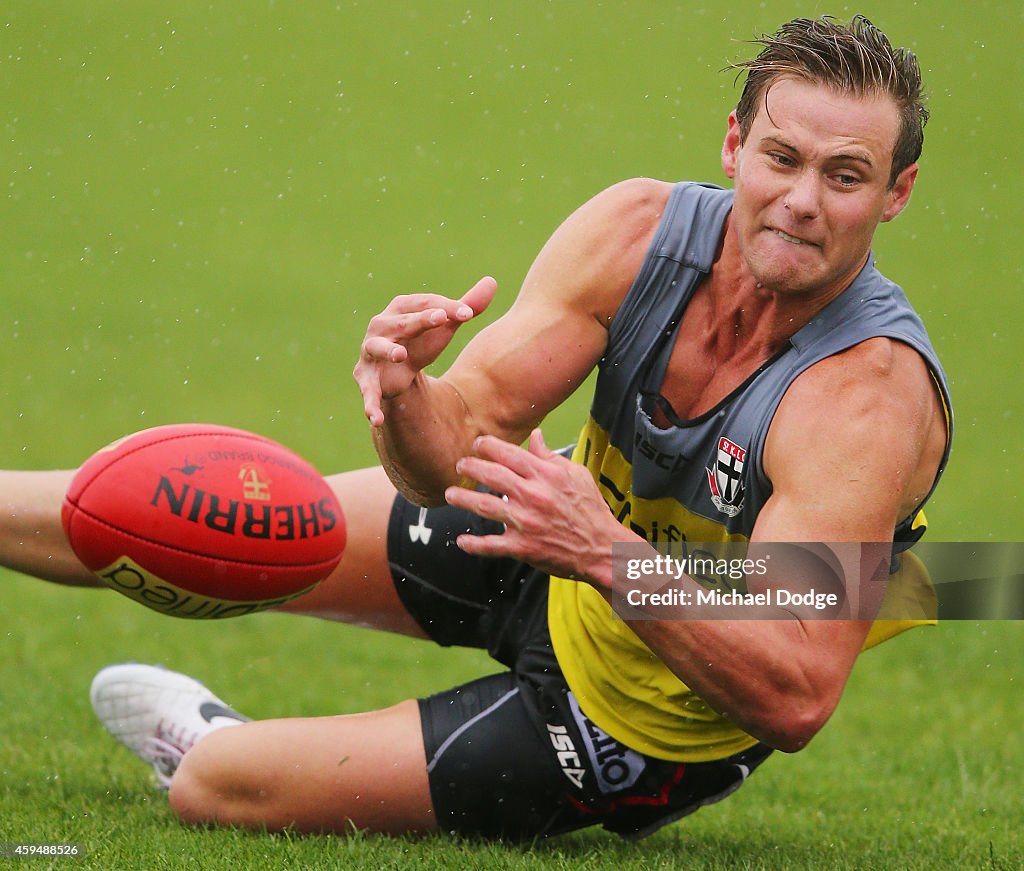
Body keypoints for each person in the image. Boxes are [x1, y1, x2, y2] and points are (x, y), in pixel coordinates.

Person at [1, 14, 951, 841]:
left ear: (897, 193)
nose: (801, 200)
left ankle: (211, 739)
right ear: (734, 143)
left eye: (846, 175)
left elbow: (792, 690)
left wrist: (608, 553)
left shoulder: (863, 399)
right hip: (546, 528)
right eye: (783, 158)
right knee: (185, 514)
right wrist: (408, 394)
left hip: (634, 718)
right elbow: (446, 457)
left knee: (218, 787)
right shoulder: (636, 236)